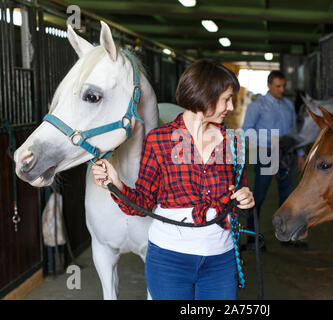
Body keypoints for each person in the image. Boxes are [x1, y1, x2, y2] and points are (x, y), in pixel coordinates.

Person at [91, 59, 255, 300]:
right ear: (205, 97)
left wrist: (244, 198)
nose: (231, 107)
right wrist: (115, 184)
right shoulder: (159, 140)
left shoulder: (233, 141)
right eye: (226, 99)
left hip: (221, 260)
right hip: (170, 260)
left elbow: (239, 190)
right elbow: (143, 203)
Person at [242, 71, 305, 250]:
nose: (282, 90)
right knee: (258, 197)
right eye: (278, 86)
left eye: (283, 86)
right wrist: (270, 141)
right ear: (269, 85)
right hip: (266, 154)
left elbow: (294, 132)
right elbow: (247, 130)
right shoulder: (257, 106)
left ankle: (287, 237)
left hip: (287, 155)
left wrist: (300, 153)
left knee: (287, 197)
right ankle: (252, 239)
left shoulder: (288, 105)